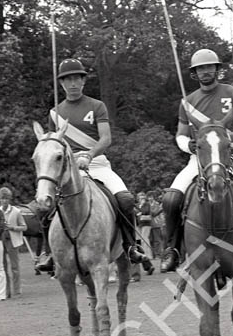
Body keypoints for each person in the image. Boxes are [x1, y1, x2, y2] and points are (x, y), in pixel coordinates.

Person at [35, 58, 152, 273]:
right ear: (61, 83)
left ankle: (130, 246)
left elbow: (106, 138)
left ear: (83, 81)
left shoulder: (96, 106)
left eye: (76, 79)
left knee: (125, 199)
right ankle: (49, 253)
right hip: (67, 170)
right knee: (43, 204)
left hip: (96, 164)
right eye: (68, 80)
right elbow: (53, 146)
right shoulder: (55, 113)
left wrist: (88, 155)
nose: (72, 84)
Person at [159, 49, 233, 273]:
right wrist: (186, 144)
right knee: (171, 200)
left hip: (229, 158)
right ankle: (172, 249)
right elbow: (180, 134)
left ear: (217, 69)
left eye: (210, 67)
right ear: (195, 73)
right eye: (201, 68)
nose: (206, 71)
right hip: (198, 161)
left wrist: (225, 138)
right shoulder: (187, 101)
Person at [0, 187, 27, 298]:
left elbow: (24, 227)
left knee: (15, 267)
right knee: (3, 266)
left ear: (9, 199)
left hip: (13, 241)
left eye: (6, 198)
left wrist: (13, 228)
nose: (4, 201)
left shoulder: (16, 211)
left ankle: (17, 290)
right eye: (2, 198)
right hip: (1, 241)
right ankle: (6, 291)